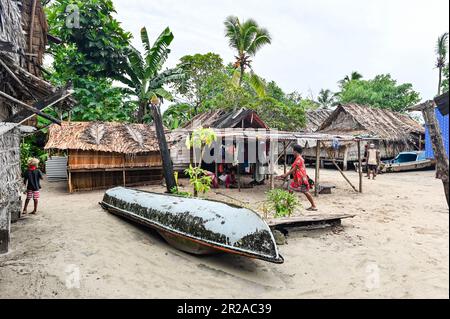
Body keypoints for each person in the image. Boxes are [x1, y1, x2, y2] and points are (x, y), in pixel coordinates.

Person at [276, 144, 318, 211]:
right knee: (290, 189)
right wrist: (285, 175)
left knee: (305, 191)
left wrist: (285, 175)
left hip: (300, 179)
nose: (293, 152)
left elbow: (294, 169)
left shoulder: (299, 159)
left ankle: (314, 206)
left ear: (295, 151)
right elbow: (292, 169)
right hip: (297, 178)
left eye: (293, 151)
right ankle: (288, 204)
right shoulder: (298, 159)